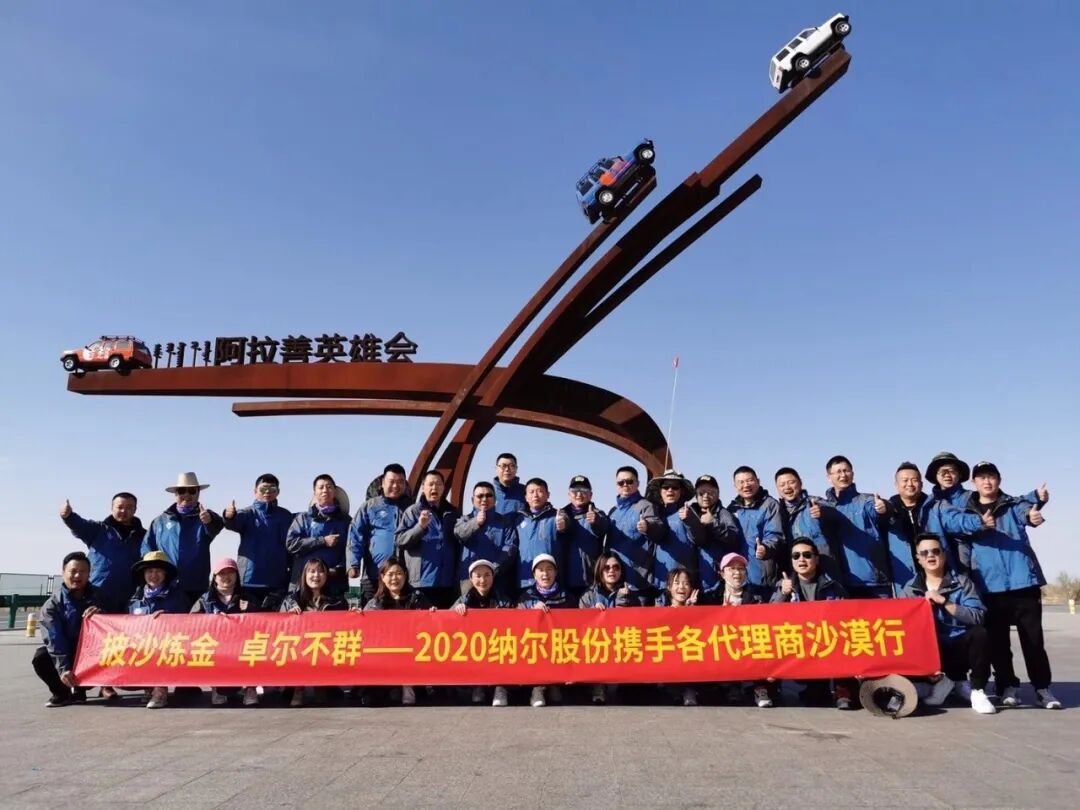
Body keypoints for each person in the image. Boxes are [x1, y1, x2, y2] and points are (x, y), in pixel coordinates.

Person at [961, 462, 1060, 709]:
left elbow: (1028, 511)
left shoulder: (1012, 505)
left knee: (1033, 641)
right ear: (974, 482)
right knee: (998, 644)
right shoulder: (967, 512)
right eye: (982, 477)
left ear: (999, 480)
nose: (987, 482)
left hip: (1023, 583)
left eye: (991, 477)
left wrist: (1034, 514)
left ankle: (1042, 688)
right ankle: (1008, 686)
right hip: (989, 587)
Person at [901, 533, 995, 714]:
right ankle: (946, 683)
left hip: (958, 645)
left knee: (980, 634)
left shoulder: (962, 583)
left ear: (943, 555)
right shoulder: (910, 588)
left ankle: (978, 691)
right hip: (931, 649)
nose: (931, 556)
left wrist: (945, 602)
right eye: (925, 553)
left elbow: (978, 616)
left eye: (936, 551)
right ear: (918, 558)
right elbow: (905, 625)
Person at [771, 538, 853, 709]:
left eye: (807, 555)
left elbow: (848, 617)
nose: (801, 559)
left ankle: (842, 689)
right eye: (796, 556)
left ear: (816, 559)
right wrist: (783, 594)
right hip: (798, 642)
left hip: (827, 640)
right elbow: (768, 616)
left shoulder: (833, 586)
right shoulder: (783, 585)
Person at [884, 462, 984, 594]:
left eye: (914, 480)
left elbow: (956, 520)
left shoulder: (935, 506)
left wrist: (979, 521)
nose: (910, 484)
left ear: (921, 484)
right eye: (905, 480)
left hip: (939, 575)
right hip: (904, 579)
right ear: (896, 485)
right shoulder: (888, 512)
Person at [701, 552, 774, 708]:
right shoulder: (711, 597)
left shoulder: (757, 594)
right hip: (721, 642)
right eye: (731, 569)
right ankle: (732, 686)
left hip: (749, 640)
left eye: (741, 569)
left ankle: (760, 688)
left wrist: (784, 590)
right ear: (722, 573)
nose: (737, 573)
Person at [363, 557, 436, 706]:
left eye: (398, 573)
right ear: (383, 577)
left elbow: (432, 624)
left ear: (405, 575)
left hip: (413, 653)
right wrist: (358, 616)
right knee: (372, 697)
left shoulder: (417, 598)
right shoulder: (375, 603)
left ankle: (408, 684)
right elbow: (364, 627)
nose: (394, 578)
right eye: (390, 574)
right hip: (385, 656)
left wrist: (432, 613)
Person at [142, 472, 224, 605]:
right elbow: (147, 551)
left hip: (196, 586)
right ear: (175, 494)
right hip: (167, 587)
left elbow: (218, 525)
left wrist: (209, 521)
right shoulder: (159, 522)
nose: (186, 495)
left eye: (192, 491)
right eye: (181, 491)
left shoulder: (205, 516)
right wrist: (154, 575)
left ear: (198, 493)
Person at [34, 551, 101, 707]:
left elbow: (117, 624)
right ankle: (61, 693)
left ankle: (81, 689)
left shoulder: (100, 597)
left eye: (83, 571)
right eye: (73, 571)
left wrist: (101, 614)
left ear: (89, 574)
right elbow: (54, 639)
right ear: (63, 572)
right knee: (41, 657)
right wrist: (64, 668)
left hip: (93, 654)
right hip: (67, 652)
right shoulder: (52, 605)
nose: (78, 575)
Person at [59, 493, 144, 614]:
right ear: (112, 508)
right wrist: (68, 516)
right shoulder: (98, 530)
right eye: (120, 507)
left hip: (130, 598)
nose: (124, 511)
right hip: (97, 596)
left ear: (135, 509)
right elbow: (80, 525)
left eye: (129, 507)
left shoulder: (144, 536)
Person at [280, 558, 349, 707]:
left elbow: (346, 624)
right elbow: (280, 626)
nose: (316, 575)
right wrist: (289, 614)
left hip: (325, 647)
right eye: (312, 571)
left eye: (320, 572)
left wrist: (354, 614)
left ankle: (321, 684)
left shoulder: (337, 600)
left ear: (326, 575)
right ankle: (298, 688)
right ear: (304, 575)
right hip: (300, 647)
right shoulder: (292, 599)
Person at [579, 553, 646, 705]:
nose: (611, 571)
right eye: (607, 567)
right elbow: (580, 626)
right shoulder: (588, 595)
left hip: (621, 643)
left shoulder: (630, 594)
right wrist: (592, 615)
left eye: (616, 567)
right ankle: (598, 685)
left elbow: (635, 624)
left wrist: (624, 600)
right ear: (599, 570)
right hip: (597, 643)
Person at [820, 455, 891, 598]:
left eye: (846, 471)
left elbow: (881, 510)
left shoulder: (866, 501)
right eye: (838, 472)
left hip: (873, 582)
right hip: (841, 584)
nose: (843, 475)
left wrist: (883, 508)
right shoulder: (824, 507)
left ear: (852, 473)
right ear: (829, 477)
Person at [191, 557, 258, 707]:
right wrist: (212, 621)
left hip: (241, 644)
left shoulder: (247, 597)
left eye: (230, 573)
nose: (226, 577)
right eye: (222, 573)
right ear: (215, 578)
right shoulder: (205, 599)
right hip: (216, 646)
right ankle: (217, 688)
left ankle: (250, 688)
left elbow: (261, 622)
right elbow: (192, 621)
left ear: (237, 576)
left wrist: (249, 610)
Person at [222, 473, 293, 612]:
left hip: (277, 581)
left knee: (275, 622)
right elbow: (232, 523)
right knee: (248, 621)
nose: (267, 492)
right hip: (249, 582)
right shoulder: (247, 513)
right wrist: (228, 515)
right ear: (255, 491)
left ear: (278, 492)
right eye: (263, 489)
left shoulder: (285, 515)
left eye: (272, 489)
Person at [129, 551, 191, 709]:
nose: (153, 575)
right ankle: (149, 687)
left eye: (158, 571)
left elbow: (187, 623)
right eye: (149, 571)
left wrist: (168, 618)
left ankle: (160, 691)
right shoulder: (135, 599)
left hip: (169, 646)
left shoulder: (177, 596)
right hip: (142, 645)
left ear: (165, 574)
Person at [451, 560, 514, 706]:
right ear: (471, 578)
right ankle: (477, 686)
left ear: (493, 577)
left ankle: (500, 687)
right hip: (474, 647)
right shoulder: (464, 599)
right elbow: (446, 621)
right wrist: (456, 610)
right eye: (478, 576)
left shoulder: (503, 600)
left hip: (497, 645)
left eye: (487, 575)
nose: (482, 580)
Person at [348, 463, 414, 603]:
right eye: (392, 481)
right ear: (383, 483)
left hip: (404, 578)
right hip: (374, 576)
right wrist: (353, 564)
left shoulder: (412, 508)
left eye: (400, 482)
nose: (396, 486)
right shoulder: (370, 506)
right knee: (370, 612)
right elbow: (355, 536)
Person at [396, 470, 460, 608]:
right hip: (421, 583)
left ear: (444, 487)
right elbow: (400, 540)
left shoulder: (452, 513)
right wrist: (420, 526)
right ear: (423, 487)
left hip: (447, 583)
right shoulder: (413, 512)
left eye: (438, 484)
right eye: (430, 484)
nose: (434, 488)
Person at [518, 554, 573, 707]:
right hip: (534, 645)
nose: (545, 574)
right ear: (534, 574)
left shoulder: (567, 597)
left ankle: (554, 683)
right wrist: (532, 613)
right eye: (540, 570)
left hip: (559, 645)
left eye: (549, 569)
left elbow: (575, 624)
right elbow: (517, 624)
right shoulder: (525, 598)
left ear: (556, 572)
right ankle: (538, 688)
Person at [285, 474, 350, 598]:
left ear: (335, 491)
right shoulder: (303, 519)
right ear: (314, 492)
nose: (325, 490)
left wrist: (339, 569)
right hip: (304, 584)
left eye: (329, 487)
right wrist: (322, 541)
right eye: (321, 487)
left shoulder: (346, 521)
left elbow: (352, 548)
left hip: (335, 584)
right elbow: (291, 544)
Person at [605, 465, 665, 598]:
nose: (625, 485)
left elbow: (658, 529)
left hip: (639, 583)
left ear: (637, 483)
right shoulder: (613, 511)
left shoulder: (646, 506)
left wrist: (648, 526)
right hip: (615, 581)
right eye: (621, 482)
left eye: (629, 481)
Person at [454, 481, 518, 599]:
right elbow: (459, 534)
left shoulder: (505, 522)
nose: (484, 499)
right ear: (472, 499)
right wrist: (476, 522)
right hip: (469, 580)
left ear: (495, 499)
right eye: (480, 496)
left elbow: (510, 548)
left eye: (489, 495)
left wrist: (493, 570)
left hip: (498, 579)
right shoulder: (464, 520)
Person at [681, 474, 740, 597]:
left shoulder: (724, 514)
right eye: (701, 493)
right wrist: (689, 520)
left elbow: (732, 537)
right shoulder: (688, 512)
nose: (706, 496)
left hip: (715, 581)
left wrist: (713, 522)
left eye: (710, 492)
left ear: (718, 493)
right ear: (696, 495)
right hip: (691, 579)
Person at [773, 467, 838, 580]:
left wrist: (823, 513)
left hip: (825, 571)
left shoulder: (815, 503)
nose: (787, 487)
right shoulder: (777, 511)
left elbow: (836, 515)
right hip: (796, 573)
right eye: (782, 485)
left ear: (800, 483)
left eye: (791, 482)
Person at [727, 466, 784, 588]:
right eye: (741, 482)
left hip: (764, 574)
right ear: (735, 486)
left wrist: (765, 548)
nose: (746, 485)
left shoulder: (770, 505)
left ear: (758, 481)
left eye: (749, 480)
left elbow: (775, 534)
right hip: (738, 576)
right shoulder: (732, 509)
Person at [654, 568, 702, 706]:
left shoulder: (698, 608)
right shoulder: (659, 608)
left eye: (686, 583)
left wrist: (690, 611)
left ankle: (689, 689)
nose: (681, 587)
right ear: (669, 587)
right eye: (677, 583)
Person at [557, 475, 609, 603]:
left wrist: (596, 521)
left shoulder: (598, 514)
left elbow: (604, 527)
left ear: (590, 495)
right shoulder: (561, 515)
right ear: (569, 494)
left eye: (584, 491)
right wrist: (561, 525)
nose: (579, 494)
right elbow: (564, 523)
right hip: (565, 581)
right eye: (575, 491)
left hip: (591, 582)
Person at [646, 470, 699, 595]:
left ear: (681, 492)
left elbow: (700, 538)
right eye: (666, 487)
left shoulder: (688, 512)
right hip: (659, 582)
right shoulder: (653, 513)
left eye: (675, 487)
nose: (670, 490)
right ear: (660, 491)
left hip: (682, 585)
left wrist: (690, 520)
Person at [514, 478, 566, 595]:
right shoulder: (518, 519)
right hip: (525, 580)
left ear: (548, 495)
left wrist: (563, 524)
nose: (535, 495)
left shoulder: (556, 516)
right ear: (526, 497)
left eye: (540, 491)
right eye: (531, 492)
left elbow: (567, 525)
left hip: (550, 580)